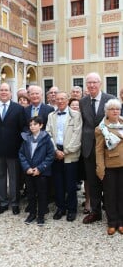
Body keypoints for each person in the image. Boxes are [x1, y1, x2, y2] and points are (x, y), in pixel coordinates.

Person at [80, 72, 115, 224]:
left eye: (94, 82)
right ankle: (95, 212)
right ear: (86, 85)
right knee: (92, 182)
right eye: (89, 83)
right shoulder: (83, 102)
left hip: (106, 148)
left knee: (108, 181)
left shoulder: (110, 99)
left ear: (100, 84)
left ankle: (111, 212)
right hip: (88, 147)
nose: (92, 85)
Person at [0, 82, 27, 215]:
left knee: (14, 178)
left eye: (6, 90)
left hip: (14, 150)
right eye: (1, 90)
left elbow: (23, 128)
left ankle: (15, 203)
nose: (4, 92)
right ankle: (3, 203)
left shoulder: (18, 109)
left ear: (10, 93)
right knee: (1, 177)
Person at [46, 91, 82, 222]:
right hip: (56, 153)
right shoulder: (51, 116)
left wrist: (65, 151)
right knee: (58, 183)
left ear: (67, 100)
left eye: (63, 99)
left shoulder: (76, 115)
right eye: (58, 99)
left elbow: (77, 135)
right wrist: (55, 151)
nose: (60, 101)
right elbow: (48, 133)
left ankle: (72, 209)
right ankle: (60, 207)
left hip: (70, 153)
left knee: (71, 184)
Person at [19, 116, 55, 226]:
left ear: (41, 125)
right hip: (29, 171)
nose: (32, 126)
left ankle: (41, 216)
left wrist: (40, 168)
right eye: (30, 125)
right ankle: (32, 214)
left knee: (42, 194)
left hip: (41, 172)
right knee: (30, 194)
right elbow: (21, 154)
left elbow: (50, 155)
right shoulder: (26, 139)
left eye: (35, 124)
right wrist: (27, 168)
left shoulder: (46, 138)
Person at [95, 99, 123, 235]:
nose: (115, 111)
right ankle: (112, 222)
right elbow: (99, 150)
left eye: (117, 109)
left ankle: (121, 221)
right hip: (110, 166)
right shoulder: (101, 128)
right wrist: (100, 168)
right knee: (110, 195)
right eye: (112, 109)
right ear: (106, 112)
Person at [69, 98, 91, 214]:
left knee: (87, 178)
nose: (75, 107)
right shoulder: (67, 118)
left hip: (84, 151)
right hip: (71, 152)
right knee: (72, 178)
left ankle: (88, 201)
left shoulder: (85, 118)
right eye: (73, 105)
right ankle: (71, 202)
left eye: (77, 106)